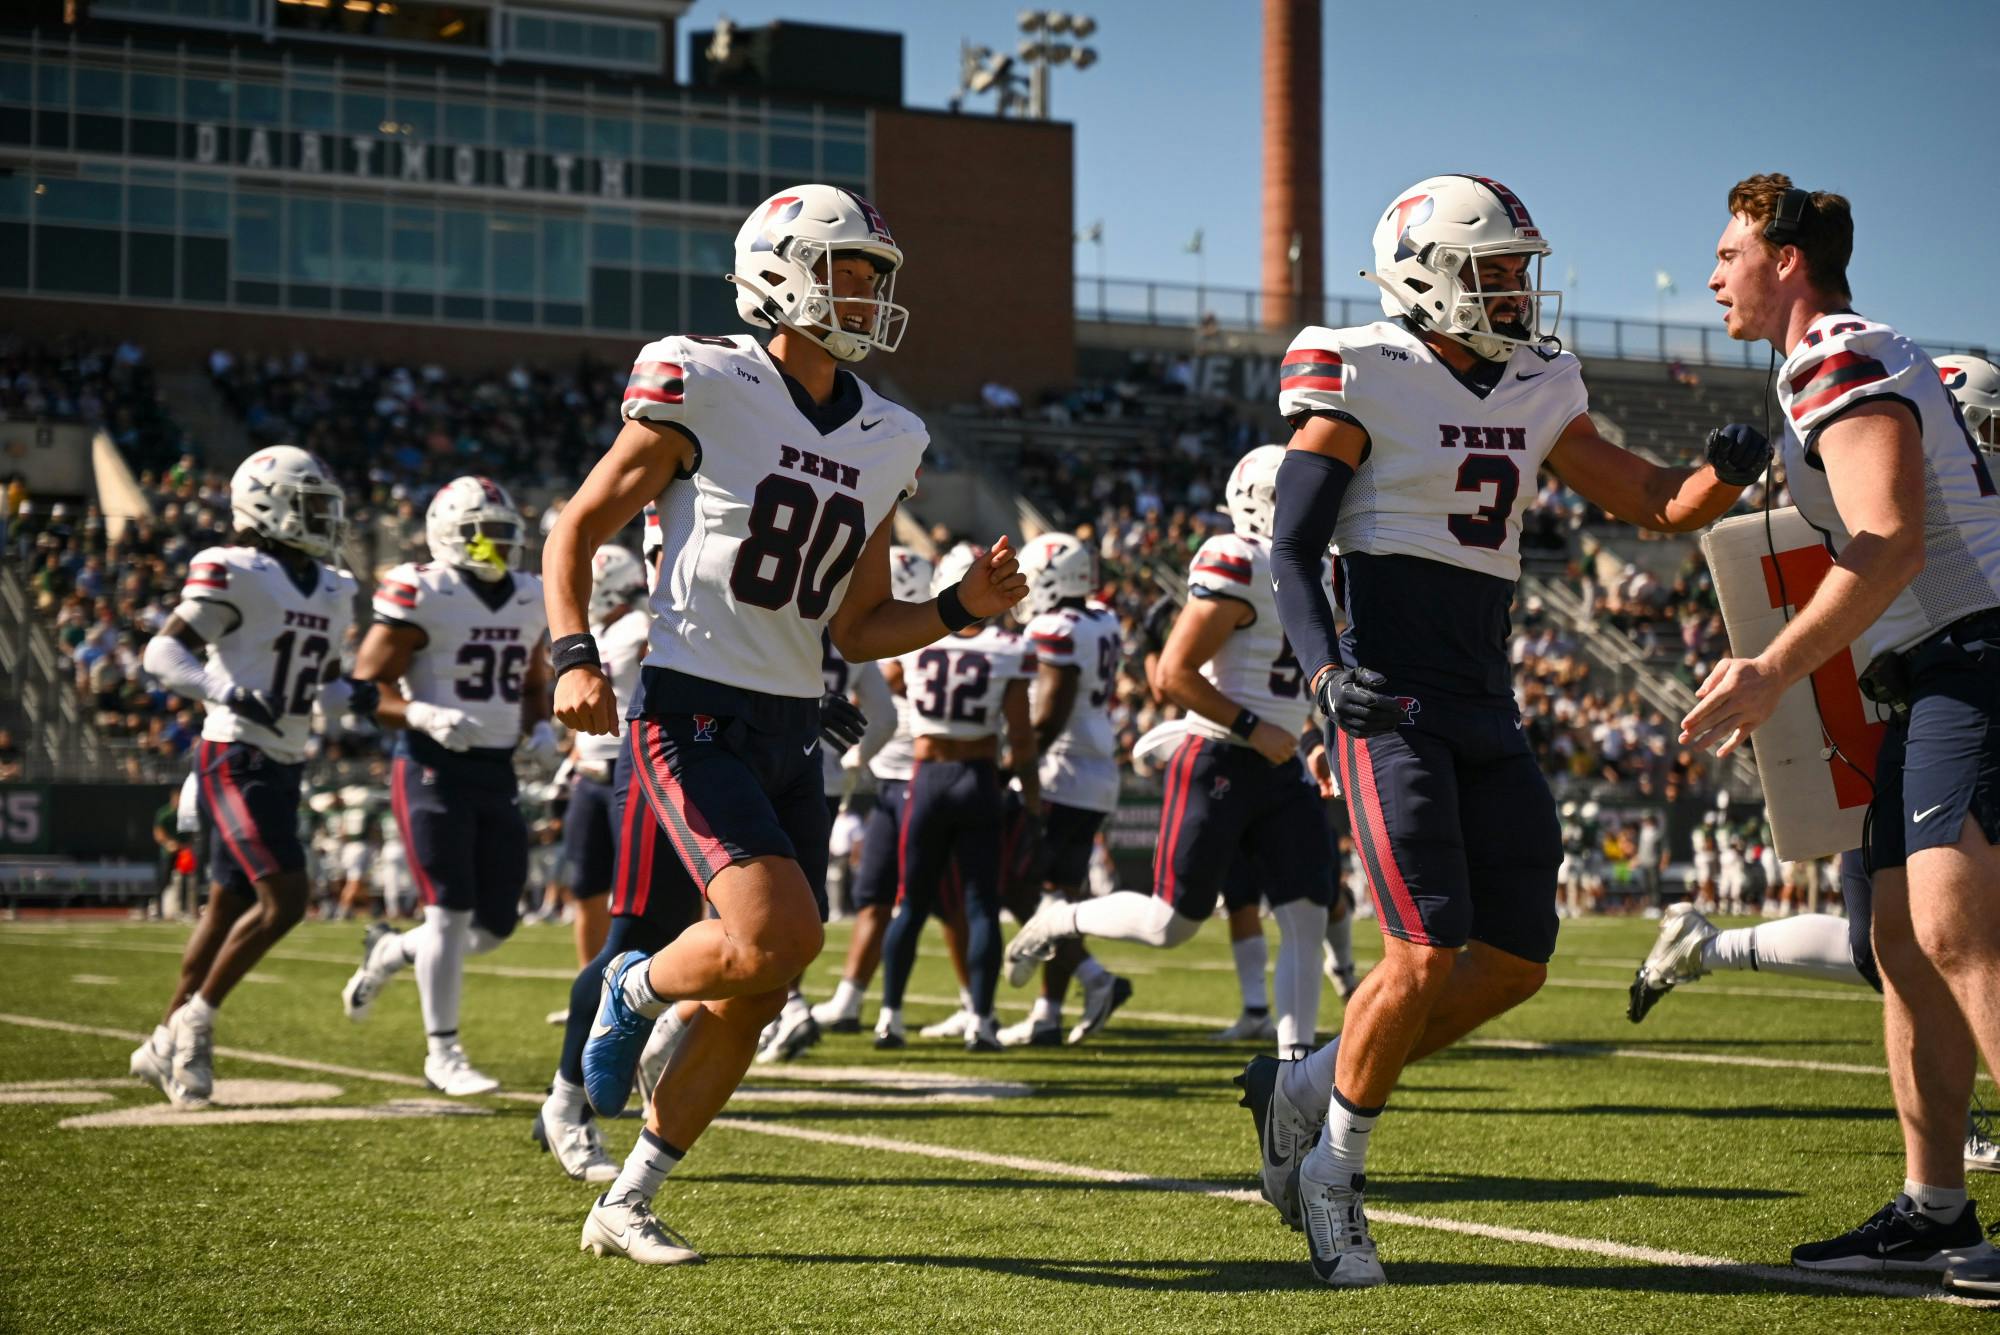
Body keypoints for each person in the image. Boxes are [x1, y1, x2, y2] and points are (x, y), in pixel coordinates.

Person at [1251, 174, 1769, 1286]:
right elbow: (1289, 550)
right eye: (1492, 271)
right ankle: (1332, 1179)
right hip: (1388, 695)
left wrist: (1719, 478)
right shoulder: (1358, 367)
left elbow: (1648, 502)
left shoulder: (1541, 382)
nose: (1515, 291)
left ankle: (1302, 1085)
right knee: (1422, 952)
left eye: (1518, 270)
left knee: (1516, 963)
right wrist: (1324, 667)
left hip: (1487, 697)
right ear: (1426, 272)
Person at [546, 184, 1025, 1266]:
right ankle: (631, 984)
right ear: (781, 268)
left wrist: (959, 609)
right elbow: (578, 524)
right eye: (848, 268)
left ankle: (627, 1197)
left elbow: (856, 626)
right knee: (772, 938)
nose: (865, 292)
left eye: (873, 275)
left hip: (790, 724)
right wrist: (572, 652)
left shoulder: (886, 431)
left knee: (761, 989)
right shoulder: (702, 378)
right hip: (691, 706)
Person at [1685, 181, 2000, 1289]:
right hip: (1931, 672)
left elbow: (1891, 540)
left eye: (1727, 252)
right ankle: (1933, 1210)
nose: (1713, 273)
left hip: (1977, 652)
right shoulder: (1824, 362)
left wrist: (1774, 669)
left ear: (1783, 258)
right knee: (1899, 944)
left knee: (1960, 933)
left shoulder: (1832, 354)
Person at [1007, 446, 1335, 1059]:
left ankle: (1294, 1073)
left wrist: (1312, 740)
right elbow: (1175, 675)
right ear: (1263, 502)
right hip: (1221, 754)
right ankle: (1059, 920)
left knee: (1306, 916)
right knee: (1171, 924)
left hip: (1282, 761)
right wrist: (1252, 726)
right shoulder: (1235, 560)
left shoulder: (1319, 570)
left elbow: (1298, 681)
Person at [127, 445, 365, 1107]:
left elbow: (328, 686)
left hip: (285, 760)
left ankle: (160, 1042)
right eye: (312, 506)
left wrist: (369, 698)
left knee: (229, 904)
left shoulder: (335, 586)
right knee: (286, 897)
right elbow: (162, 649)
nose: (325, 519)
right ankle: (194, 1023)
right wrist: (223, 692)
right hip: (233, 753)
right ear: (267, 505)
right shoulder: (233, 569)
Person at [337, 476, 556, 1096]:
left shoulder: (528, 596)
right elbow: (364, 687)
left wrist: (539, 728)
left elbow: (534, 680)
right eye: (481, 535)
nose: (495, 547)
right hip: (432, 764)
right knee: (450, 912)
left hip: (495, 768)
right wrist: (420, 712)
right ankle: (443, 1053)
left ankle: (389, 955)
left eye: (503, 536)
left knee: (493, 926)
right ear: (446, 536)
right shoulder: (421, 589)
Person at [874, 543, 1038, 1053]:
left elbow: (891, 681)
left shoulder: (917, 647)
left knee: (911, 904)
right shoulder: (1007, 648)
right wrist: (1031, 797)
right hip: (978, 775)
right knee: (982, 905)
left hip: (926, 780)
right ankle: (982, 1022)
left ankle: (890, 1017)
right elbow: (1022, 735)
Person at [996, 533, 1132, 1047]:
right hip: (1096, 771)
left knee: (1017, 882)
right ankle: (1048, 1012)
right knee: (1061, 897)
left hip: (1060, 772)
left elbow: (1050, 711)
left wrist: (1013, 764)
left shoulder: (1054, 627)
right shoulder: (1103, 618)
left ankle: (1095, 979)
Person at [811, 548, 934, 1034]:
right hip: (835, 776)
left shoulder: (794, 621)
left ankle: (780, 1004)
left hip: (766, 763)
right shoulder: (860, 637)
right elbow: (882, 716)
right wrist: (849, 759)